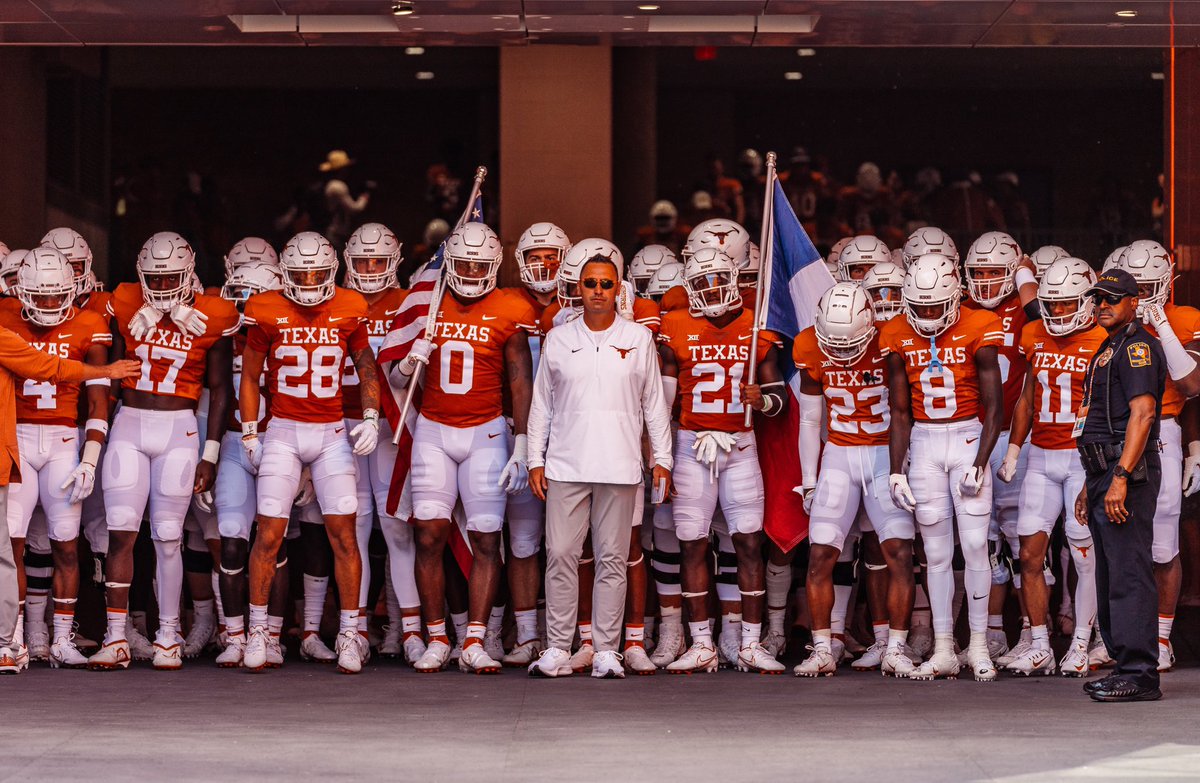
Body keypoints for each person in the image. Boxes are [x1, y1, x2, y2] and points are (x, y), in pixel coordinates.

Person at [88, 232, 239, 673]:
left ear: (190, 270)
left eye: (172, 275)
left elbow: (220, 389)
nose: (163, 284)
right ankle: (116, 637)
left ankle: (169, 636)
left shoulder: (214, 313)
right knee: (121, 532)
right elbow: (111, 375)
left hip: (179, 428)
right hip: (130, 425)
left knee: (169, 537)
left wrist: (210, 453)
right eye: (155, 276)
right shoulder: (125, 299)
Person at [390, 223, 535, 674]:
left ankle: (475, 638)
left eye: (480, 264)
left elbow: (520, 380)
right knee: (428, 535)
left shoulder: (511, 306)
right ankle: (437, 636)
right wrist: (409, 361)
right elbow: (396, 378)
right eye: (465, 263)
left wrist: (524, 442)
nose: (472, 272)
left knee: (487, 536)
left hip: (487, 432)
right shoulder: (427, 302)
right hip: (433, 430)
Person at [526, 254, 673, 679]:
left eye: (606, 284)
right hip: (565, 466)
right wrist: (535, 458)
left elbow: (654, 406)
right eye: (589, 283)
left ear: (619, 289)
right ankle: (558, 646)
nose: (597, 291)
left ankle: (607, 650)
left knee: (612, 559)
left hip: (620, 465)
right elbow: (542, 406)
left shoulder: (639, 338)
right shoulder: (557, 339)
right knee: (559, 555)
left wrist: (661, 459)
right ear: (578, 288)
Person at [239, 231, 380, 675]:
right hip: (282, 430)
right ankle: (258, 631)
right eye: (301, 274)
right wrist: (249, 431)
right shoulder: (265, 308)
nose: (310, 280)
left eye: (318, 272)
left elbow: (365, 365)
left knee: (344, 536)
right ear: (285, 272)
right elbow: (249, 374)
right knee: (268, 535)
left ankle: (349, 633)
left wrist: (372, 414)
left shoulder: (350, 307)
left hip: (332, 432)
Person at [657, 248, 786, 675]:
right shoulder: (675, 326)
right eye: (700, 285)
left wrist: (762, 398)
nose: (710, 291)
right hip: (693, 445)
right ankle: (701, 644)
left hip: (741, 445)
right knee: (693, 544)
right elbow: (663, 402)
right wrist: (661, 455)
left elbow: (780, 400)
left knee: (748, 543)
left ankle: (750, 642)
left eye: (716, 281)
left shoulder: (756, 328)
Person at [881, 252, 1006, 681]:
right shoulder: (896, 333)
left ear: (954, 297)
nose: (929, 315)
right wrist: (896, 469)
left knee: (974, 547)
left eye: (936, 305)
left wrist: (982, 459)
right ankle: (944, 648)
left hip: (969, 435)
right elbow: (899, 411)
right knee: (935, 554)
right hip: (925, 442)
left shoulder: (978, 325)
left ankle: (977, 645)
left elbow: (994, 407)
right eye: (920, 307)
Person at [0, 316, 139, 674]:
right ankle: (15, 638)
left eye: (54, 296)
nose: (47, 306)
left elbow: (95, 402)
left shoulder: (87, 323)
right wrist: (107, 369)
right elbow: (47, 366)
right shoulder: (7, 316)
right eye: (39, 296)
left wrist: (90, 460)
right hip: (17, 438)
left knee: (64, 542)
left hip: (62, 442)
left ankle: (60, 637)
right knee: (12, 545)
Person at [794, 283, 917, 678]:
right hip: (840, 454)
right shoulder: (809, 345)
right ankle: (821, 647)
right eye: (833, 342)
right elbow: (811, 419)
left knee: (898, 552)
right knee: (820, 556)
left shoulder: (891, 336)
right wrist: (809, 480)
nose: (842, 352)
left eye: (851, 343)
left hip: (883, 452)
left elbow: (903, 410)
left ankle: (895, 646)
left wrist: (900, 467)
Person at [999, 257, 1105, 676]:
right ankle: (1040, 643)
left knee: (1083, 555)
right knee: (1029, 554)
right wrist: (1013, 450)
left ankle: (1081, 641)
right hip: (1041, 456)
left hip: (1081, 458)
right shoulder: (1033, 332)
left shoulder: (1103, 338)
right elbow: (1027, 396)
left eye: (1066, 304)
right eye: (1053, 304)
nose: (1058, 312)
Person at [1073, 269, 1165, 703]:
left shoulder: (1139, 346)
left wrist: (1121, 478)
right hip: (1103, 472)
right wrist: (1092, 483)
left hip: (1124, 473)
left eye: (1112, 298)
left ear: (1135, 301)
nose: (1103, 304)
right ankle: (1125, 665)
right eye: (1098, 298)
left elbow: (1144, 414)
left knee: (1128, 574)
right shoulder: (1112, 345)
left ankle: (1140, 674)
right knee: (1111, 574)